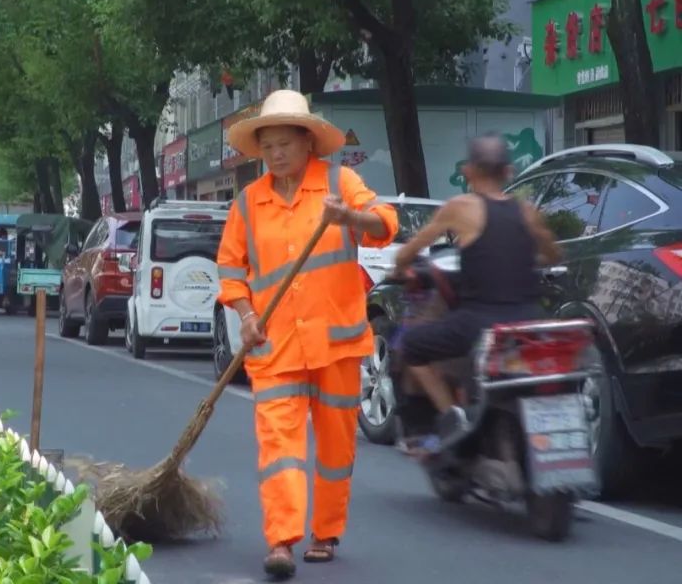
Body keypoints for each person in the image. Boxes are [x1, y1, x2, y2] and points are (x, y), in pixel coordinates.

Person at [218, 90, 399, 578]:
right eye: (268, 146)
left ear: (308, 143)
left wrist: (349, 218)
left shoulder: (341, 183)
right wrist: (245, 314)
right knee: (279, 446)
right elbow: (231, 269)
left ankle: (326, 530)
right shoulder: (248, 203)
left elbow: (385, 225)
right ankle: (281, 539)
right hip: (274, 347)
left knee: (336, 448)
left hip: (337, 344)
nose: (276, 154)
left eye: (285, 144)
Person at [392, 134, 562, 442]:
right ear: (508, 172)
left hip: (481, 322)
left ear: (468, 171)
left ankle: (452, 422)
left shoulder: (461, 207)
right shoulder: (527, 212)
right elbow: (553, 255)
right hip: (530, 321)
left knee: (411, 346)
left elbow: (407, 252)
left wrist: (399, 267)